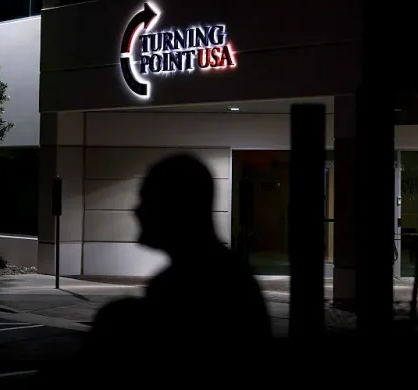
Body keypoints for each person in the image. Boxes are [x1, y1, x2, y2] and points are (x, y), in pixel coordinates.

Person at [79, 153, 273, 367]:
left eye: (147, 199)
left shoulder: (193, 286)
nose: (137, 210)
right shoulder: (226, 276)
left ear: (176, 207)